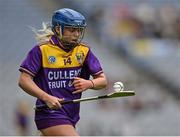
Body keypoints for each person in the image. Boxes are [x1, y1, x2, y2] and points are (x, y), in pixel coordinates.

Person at [18, 8, 107, 136]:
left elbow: (103, 80)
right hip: (49, 114)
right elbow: (23, 80)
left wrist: (90, 84)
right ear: (58, 29)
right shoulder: (42, 50)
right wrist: (46, 97)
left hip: (71, 115)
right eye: (72, 30)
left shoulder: (84, 51)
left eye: (79, 30)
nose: (77, 34)